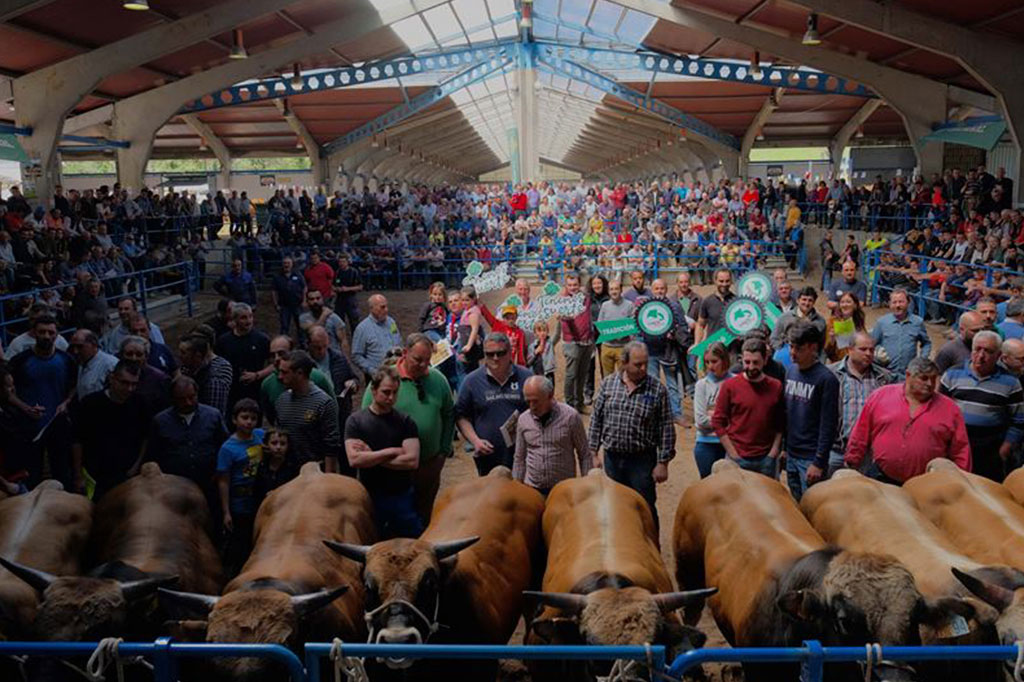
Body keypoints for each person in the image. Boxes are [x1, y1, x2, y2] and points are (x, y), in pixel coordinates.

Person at [361, 333, 454, 524]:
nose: (423, 365)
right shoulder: (385, 380)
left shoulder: (438, 380)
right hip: (390, 470)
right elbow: (365, 419)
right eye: (417, 360)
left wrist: (443, 452)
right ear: (405, 353)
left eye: (427, 361)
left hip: (428, 465)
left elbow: (449, 414)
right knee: (389, 520)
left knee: (423, 515)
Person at [845, 357, 971, 483]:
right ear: (908, 375)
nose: (930, 384)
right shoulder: (880, 396)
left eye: (933, 379)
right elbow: (861, 432)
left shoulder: (950, 409)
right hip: (881, 478)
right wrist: (852, 460)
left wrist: (961, 480)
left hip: (927, 483)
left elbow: (960, 449)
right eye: (924, 378)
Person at [588, 341, 674, 522]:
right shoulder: (607, 385)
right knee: (614, 506)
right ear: (624, 362)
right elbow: (597, 419)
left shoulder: (657, 389)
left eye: (645, 363)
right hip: (612, 458)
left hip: (642, 461)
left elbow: (666, 426)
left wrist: (663, 463)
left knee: (645, 507)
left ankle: (651, 547)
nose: (643, 368)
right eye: (638, 364)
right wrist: (593, 452)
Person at [345, 366, 422, 539]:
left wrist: (372, 455)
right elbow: (355, 460)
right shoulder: (356, 422)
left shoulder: (405, 422)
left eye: (395, 393)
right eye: (386, 392)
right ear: (373, 390)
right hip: (370, 494)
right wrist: (392, 451)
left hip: (401, 494)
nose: (391, 398)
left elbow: (411, 461)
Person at [940, 330, 1024, 482]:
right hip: (956, 445)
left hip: (990, 449)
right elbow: (938, 411)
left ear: (999, 356)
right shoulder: (952, 374)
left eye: (988, 351)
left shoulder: (1011, 383)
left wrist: (1006, 446)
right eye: (977, 349)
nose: (981, 355)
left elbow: (1018, 420)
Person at [7, 315, 76, 487]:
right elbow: (6, 393)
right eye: (42, 332)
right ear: (34, 333)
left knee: (61, 471)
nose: (46, 336)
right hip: (29, 426)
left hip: (57, 423)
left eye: (50, 332)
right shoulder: (20, 361)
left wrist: (66, 402)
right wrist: (25, 408)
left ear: (56, 335)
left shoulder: (67, 360)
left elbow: (74, 387)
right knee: (32, 473)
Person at [147, 376, 228, 511]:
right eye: (182, 399)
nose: (188, 402)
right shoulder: (160, 421)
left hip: (209, 483)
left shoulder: (213, 416)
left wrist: (219, 473)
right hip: (174, 488)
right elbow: (154, 454)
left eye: (192, 397)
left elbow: (225, 446)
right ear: (173, 399)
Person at [456, 332, 531, 476]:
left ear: (510, 353)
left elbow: (538, 410)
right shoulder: (471, 381)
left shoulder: (526, 377)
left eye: (500, 353)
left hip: (523, 454)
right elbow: (461, 416)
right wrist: (475, 441)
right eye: (490, 354)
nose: (495, 358)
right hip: (488, 455)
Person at [72, 361, 148, 499]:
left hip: (127, 475)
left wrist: (135, 467)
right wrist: (78, 475)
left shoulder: (140, 403)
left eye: (134, 384)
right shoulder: (90, 404)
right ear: (112, 378)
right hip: (95, 476)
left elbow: (145, 437)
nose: (129, 389)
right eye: (124, 383)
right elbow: (77, 440)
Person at [712, 337, 785, 477]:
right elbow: (718, 422)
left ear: (765, 360)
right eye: (747, 362)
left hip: (766, 459)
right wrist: (733, 454)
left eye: (756, 362)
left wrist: (773, 453)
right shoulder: (730, 386)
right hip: (737, 457)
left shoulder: (776, 386)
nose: (751, 367)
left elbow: (780, 424)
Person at [783, 321, 840, 500]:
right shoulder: (791, 371)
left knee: (814, 509)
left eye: (798, 348)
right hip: (791, 454)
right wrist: (785, 448)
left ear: (812, 347)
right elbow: (787, 414)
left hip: (811, 458)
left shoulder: (827, 379)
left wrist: (819, 461)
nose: (792, 353)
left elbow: (828, 424)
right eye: (791, 346)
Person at [827, 332, 893, 478]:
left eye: (871, 350)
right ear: (850, 349)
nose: (868, 354)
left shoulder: (883, 378)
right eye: (863, 349)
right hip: (835, 450)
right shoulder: (831, 374)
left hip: (868, 453)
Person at [512, 375, 589, 496]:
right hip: (532, 489)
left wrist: (587, 487)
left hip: (563, 490)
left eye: (536, 401)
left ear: (550, 395)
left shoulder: (571, 417)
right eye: (528, 401)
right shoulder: (523, 420)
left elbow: (584, 454)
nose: (532, 406)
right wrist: (516, 488)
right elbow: (519, 458)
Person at [216, 398, 264, 576]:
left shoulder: (260, 435)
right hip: (239, 503)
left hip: (259, 498)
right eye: (244, 417)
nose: (249, 422)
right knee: (240, 543)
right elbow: (223, 480)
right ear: (234, 420)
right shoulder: (228, 448)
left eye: (253, 418)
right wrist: (226, 511)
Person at [274, 350, 341, 474]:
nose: (280, 377)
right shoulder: (281, 401)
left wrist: (327, 479)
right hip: (287, 472)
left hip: (315, 473)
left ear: (299, 373)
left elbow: (331, 446)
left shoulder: (323, 403)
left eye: (284, 372)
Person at [260, 334, 335, 424]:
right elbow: (271, 416)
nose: (276, 359)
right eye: (273, 355)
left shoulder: (317, 377)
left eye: (281, 353)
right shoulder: (267, 384)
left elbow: (333, 408)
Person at [215, 303, 272, 414]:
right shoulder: (224, 341)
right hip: (231, 393)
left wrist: (257, 375)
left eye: (250, 316)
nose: (248, 321)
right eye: (243, 318)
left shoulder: (262, 339)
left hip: (255, 392)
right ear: (234, 319)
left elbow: (274, 364)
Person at [693, 341, 732, 478]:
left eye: (714, 361)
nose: (710, 366)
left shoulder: (735, 382)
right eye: (707, 362)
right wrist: (726, 419)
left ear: (724, 360)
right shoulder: (701, 385)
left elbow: (740, 418)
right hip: (706, 443)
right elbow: (700, 420)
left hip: (730, 444)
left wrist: (713, 415)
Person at [871, 288, 932, 375]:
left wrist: (922, 359)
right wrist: (878, 355)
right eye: (894, 302)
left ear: (908, 302)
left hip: (908, 373)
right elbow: (872, 345)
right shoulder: (882, 323)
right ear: (889, 304)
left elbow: (926, 343)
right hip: (886, 373)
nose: (897, 305)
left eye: (901, 302)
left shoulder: (917, 322)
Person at [306, 325, 358, 424]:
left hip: (341, 414)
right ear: (308, 344)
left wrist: (353, 383)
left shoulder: (339, 358)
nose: (321, 351)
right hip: (316, 417)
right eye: (317, 348)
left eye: (324, 346)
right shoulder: (303, 364)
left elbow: (353, 377)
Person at [560, 273, 595, 414]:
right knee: (571, 375)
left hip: (587, 341)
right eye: (569, 285)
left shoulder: (585, 298)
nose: (573, 288)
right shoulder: (563, 300)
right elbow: (563, 315)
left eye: (575, 285)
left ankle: (579, 403)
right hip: (572, 342)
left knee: (582, 374)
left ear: (579, 285)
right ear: (566, 286)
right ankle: (569, 405)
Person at [179, 331, 233, 418]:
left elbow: (213, 416)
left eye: (183, 353)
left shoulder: (213, 381)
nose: (179, 356)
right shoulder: (185, 371)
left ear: (198, 356)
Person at [118, 335, 170, 418]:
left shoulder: (160, 379)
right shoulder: (113, 376)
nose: (134, 358)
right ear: (121, 355)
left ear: (146, 356)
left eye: (139, 355)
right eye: (129, 354)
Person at [351, 294, 402, 377]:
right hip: (376, 374)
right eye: (382, 307)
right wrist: (371, 371)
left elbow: (398, 341)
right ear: (372, 309)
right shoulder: (362, 329)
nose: (386, 310)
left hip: (396, 371)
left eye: (386, 306)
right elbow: (356, 355)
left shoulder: (391, 322)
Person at [100, 297, 165, 354]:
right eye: (120, 309)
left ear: (135, 310)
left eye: (126, 309)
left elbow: (161, 349)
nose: (123, 312)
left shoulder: (151, 328)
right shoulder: (115, 332)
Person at [597, 278, 635, 376]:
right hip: (607, 346)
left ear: (621, 290)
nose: (614, 292)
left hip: (623, 347)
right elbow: (600, 324)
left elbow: (632, 324)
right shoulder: (605, 305)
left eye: (616, 289)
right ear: (609, 291)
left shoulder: (629, 305)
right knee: (607, 377)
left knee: (624, 376)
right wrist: (609, 333)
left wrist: (622, 333)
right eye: (611, 289)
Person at [4, 304, 69, 359]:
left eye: (38, 319)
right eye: (32, 319)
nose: (33, 323)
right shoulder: (18, 343)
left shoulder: (59, 340)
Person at [772, 286, 826, 351]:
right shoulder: (784, 318)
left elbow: (821, 344)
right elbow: (774, 338)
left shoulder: (820, 322)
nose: (806, 303)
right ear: (798, 300)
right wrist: (782, 352)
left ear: (814, 302)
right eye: (804, 299)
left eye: (810, 300)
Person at [69, 328, 118, 400]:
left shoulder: (110, 364)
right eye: (73, 347)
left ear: (94, 344)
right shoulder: (82, 362)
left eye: (80, 347)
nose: (75, 351)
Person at [253, 428, 299, 499]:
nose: (278, 447)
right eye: (274, 443)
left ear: (288, 446)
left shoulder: (294, 468)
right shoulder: (262, 466)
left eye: (283, 444)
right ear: (267, 444)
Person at [298, 289, 348, 354]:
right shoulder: (303, 318)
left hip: (334, 354)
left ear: (322, 299)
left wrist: (347, 361)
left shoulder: (333, 317)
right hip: (313, 355)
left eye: (318, 298)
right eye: (312, 299)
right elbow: (314, 331)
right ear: (307, 302)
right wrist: (324, 316)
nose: (315, 301)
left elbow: (343, 340)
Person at [479, 302, 529, 366]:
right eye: (507, 318)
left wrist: (522, 366)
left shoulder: (519, 332)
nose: (510, 320)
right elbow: (487, 315)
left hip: (509, 364)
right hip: (496, 360)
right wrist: (480, 304)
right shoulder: (498, 325)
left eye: (512, 318)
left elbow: (521, 351)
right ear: (503, 318)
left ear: (516, 318)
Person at [823, 292, 867, 363]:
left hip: (856, 361)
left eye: (848, 302)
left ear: (855, 305)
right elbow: (827, 351)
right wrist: (832, 339)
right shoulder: (832, 321)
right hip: (838, 362)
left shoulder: (859, 321)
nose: (845, 305)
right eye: (842, 302)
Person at [695, 269, 735, 345]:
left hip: (732, 347)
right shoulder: (707, 301)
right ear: (715, 281)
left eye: (727, 281)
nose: (724, 284)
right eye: (721, 281)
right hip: (713, 347)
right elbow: (700, 324)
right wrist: (697, 343)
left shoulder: (736, 301)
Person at [270, 256, 306, 336]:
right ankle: (283, 343)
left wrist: (304, 301)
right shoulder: (277, 276)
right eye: (285, 263)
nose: (286, 265)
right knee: (284, 326)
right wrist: (276, 304)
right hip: (284, 305)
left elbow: (304, 287)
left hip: (297, 304)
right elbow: (273, 291)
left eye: (288, 263)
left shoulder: (298, 274)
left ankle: (302, 342)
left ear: (292, 264)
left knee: (301, 325)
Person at [331, 253, 363, 332]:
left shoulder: (354, 272)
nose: (341, 264)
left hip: (351, 299)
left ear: (347, 262)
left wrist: (347, 289)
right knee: (338, 320)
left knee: (354, 321)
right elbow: (333, 285)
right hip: (339, 299)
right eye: (340, 262)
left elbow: (360, 286)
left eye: (343, 261)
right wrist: (336, 289)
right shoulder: (337, 273)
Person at [456, 286, 484, 376]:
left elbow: (474, 330)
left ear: (473, 299)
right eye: (462, 300)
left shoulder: (473, 312)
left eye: (467, 300)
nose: (464, 303)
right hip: (464, 341)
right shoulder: (467, 310)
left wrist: (469, 345)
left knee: (468, 370)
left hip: (469, 346)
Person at [529, 319, 556, 387]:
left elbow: (557, 335)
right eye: (539, 331)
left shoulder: (550, 343)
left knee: (549, 391)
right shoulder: (532, 346)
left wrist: (558, 322)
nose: (542, 333)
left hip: (547, 373)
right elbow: (528, 362)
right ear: (535, 333)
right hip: (536, 373)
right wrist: (535, 352)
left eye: (544, 330)